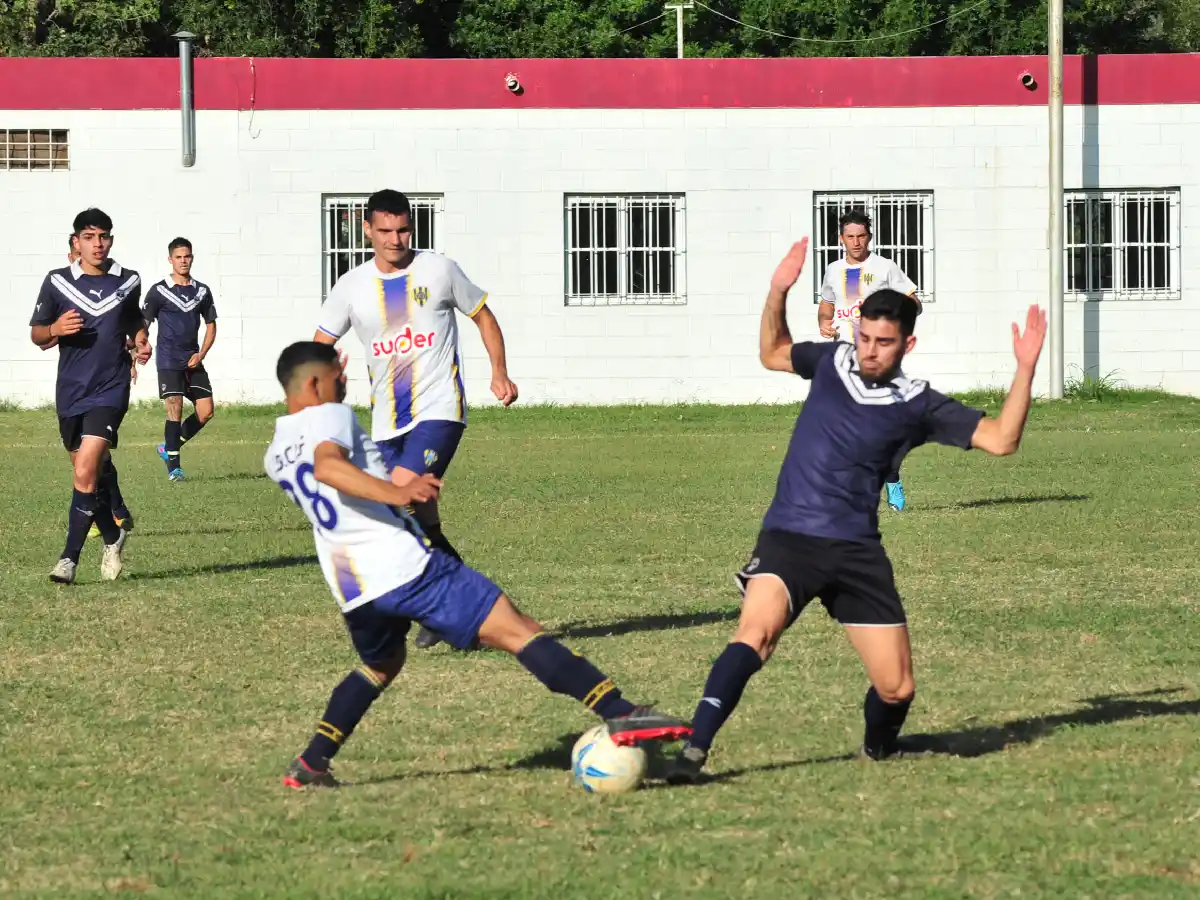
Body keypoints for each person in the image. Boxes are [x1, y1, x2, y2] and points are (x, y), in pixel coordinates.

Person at [665, 238, 1046, 785]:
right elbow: (773, 352)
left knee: (897, 688)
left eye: (883, 342)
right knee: (755, 634)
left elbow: (1003, 439)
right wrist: (779, 290)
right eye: (864, 336)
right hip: (790, 538)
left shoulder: (919, 402)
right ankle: (691, 752)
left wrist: (1026, 368)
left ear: (907, 344)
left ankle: (879, 752)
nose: (869, 350)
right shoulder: (831, 362)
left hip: (856, 551)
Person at [264, 341, 690, 789]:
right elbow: (329, 468)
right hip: (403, 567)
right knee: (517, 628)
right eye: (338, 375)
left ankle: (313, 762)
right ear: (313, 383)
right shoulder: (329, 415)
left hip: (353, 587)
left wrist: (395, 484)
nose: (345, 382)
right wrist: (398, 494)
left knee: (381, 666)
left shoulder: (275, 451)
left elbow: (333, 486)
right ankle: (621, 713)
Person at [314, 189, 518, 651]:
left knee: (392, 505)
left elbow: (484, 317)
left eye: (403, 229)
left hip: (440, 412)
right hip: (387, 422)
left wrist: (499, 372)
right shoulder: (350, 287)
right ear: (367, 230)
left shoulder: (439, 269)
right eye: (384, 230)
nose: (395, 239)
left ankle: (444, 612)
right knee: (422, 523)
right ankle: (474, 607)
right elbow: (320, 346)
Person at [30, 209, 151, 584]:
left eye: (104, 236)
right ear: (76, 241)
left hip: (110, 389)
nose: (97, 244)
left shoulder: (128, 281)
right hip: (70, 391)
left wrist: (142, 340)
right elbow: (37, 335)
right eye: (89, 236)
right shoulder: (57, 282)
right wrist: (55, 327)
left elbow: (133, 319)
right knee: (89, 476)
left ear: (111, 240)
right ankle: (113, 537)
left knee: (86, 470)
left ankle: (68, 560)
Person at [817, 209, 922, 512]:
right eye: (850, 236)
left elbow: (914, 302)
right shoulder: (834, 270)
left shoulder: (885, 267)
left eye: (861, 236)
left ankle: (891, 479)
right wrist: (824, 323)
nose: (856, 242)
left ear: (870, 237)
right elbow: (827, 306)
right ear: (841, 239)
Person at [143, 237, 218, 481]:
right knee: (174, 406)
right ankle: (175, 468)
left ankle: (169, 448)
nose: (183, 260)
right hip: (168, 360)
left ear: (192, 258)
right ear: (170, 260)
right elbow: (143, 323)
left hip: (193, 360)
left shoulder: (202, 291)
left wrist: (201, 354)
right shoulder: (159, 291)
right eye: (178, 257)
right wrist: (137, 348)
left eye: (187, 256)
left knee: (205, 411)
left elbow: (211, 326)